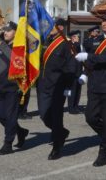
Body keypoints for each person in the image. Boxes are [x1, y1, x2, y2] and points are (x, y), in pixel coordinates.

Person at [75, 12, 106, 166]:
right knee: (90, 117)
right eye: (103, 21)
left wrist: (88, 57)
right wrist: (85, 72)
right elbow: (92, 62)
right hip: (95, 84)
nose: (104, 23)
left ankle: (104, 151)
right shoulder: (95, 40)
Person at [37, 18, 75, 160]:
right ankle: (62, 132)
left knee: (56, 117)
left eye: (51, 26)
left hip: (58, 86)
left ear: (59, 27)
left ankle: (57, 147)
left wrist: (69, 86)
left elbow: (72, 66)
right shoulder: (47, 41)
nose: (48, 28)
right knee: (43, 115)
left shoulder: (66, 44)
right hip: (44, 84)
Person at [0, 21, 28, 155]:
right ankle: (20, 131)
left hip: (13, 87)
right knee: (1, 117)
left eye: (8, 30)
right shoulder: (1, 46)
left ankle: (8, 144)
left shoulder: (19, 48)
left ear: (15, 32)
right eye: (4, 30)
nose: (5, 32)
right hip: (0, 85)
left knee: (10, 116)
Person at [67, 30, 82, 114]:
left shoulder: (78, 45)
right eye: (77, 36)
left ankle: (76, 106)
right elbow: (72, 53)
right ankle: (71, 108)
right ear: (73, 37)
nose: (78, 38)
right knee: (72, 90)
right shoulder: (69, 44)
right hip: (71, 71)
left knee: (78, 90)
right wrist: (76, 44)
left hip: (78, 70)